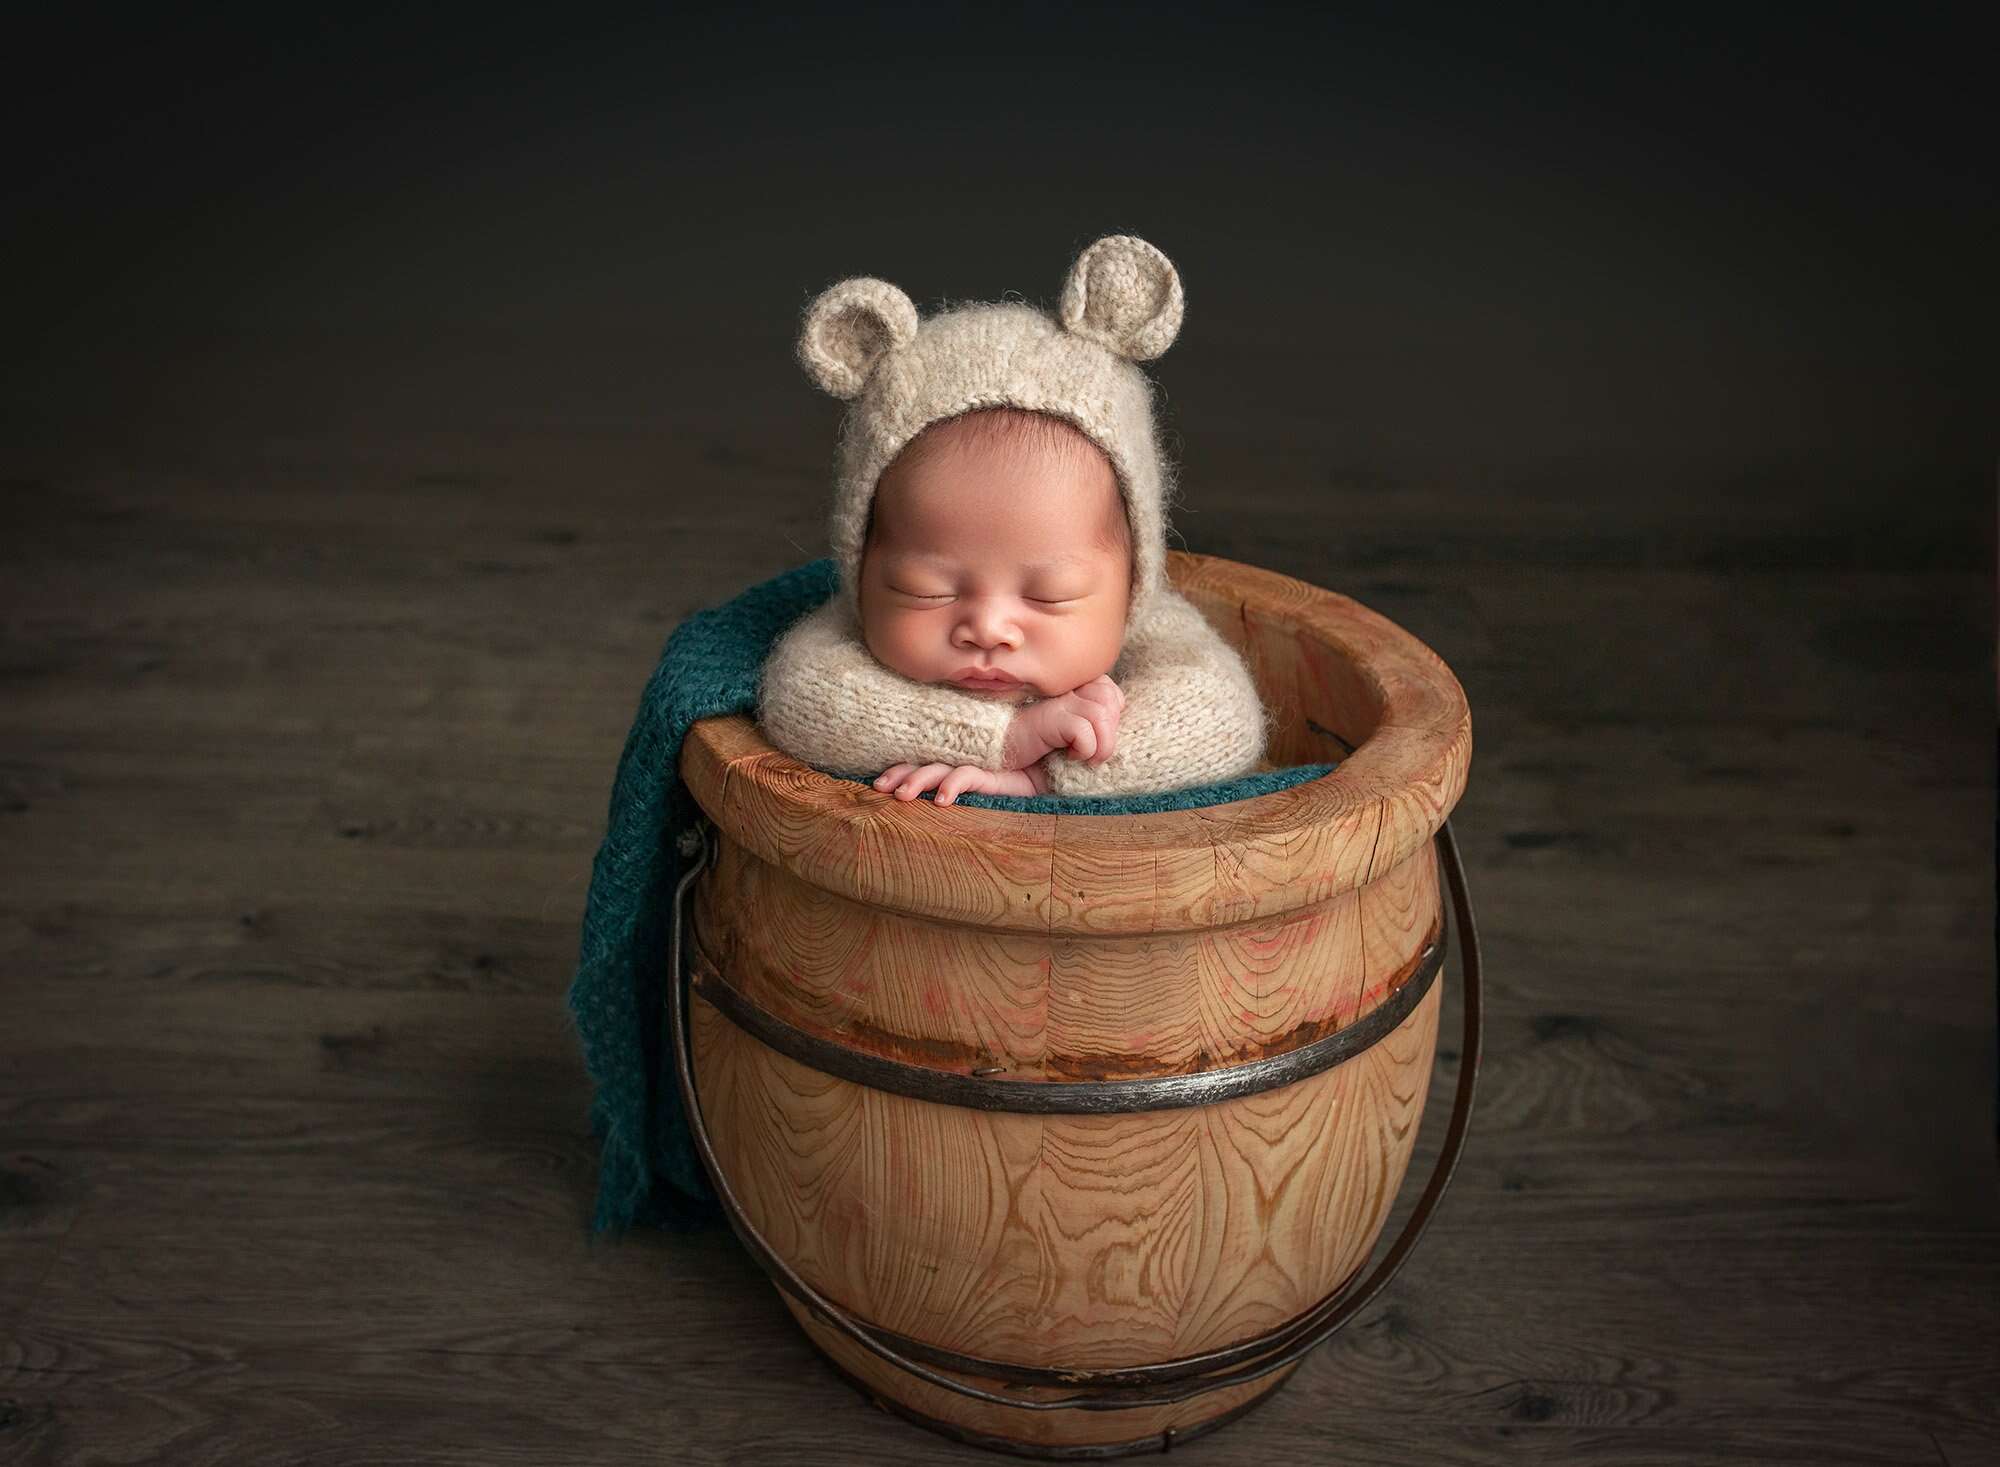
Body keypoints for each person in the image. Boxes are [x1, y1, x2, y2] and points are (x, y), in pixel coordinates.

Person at [758, 235, 1268, 802]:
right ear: (862, 567)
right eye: (924, 590)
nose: (989, 629)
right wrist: (1005, 738)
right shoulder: (843, 638)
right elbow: (799, 698)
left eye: (1051, 595)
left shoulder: (1146, 634)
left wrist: (1043, 775)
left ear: (1132, 582)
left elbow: (1223, 719)